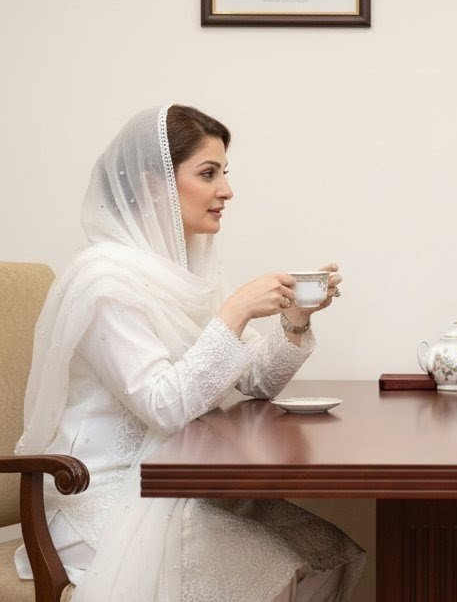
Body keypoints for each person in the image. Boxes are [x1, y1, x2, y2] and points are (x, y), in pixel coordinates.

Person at [14, 105, 365, 601]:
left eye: (224, 173)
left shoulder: (190, 270)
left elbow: (255, 383)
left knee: (325, 553)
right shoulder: (104, 280)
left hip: (176, 484)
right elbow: (166, 405)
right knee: (286, 570)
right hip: (108, 497)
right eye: (209, 173)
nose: (227, 190)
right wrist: (237, 310)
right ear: (155, 183)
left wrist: (294, 320)